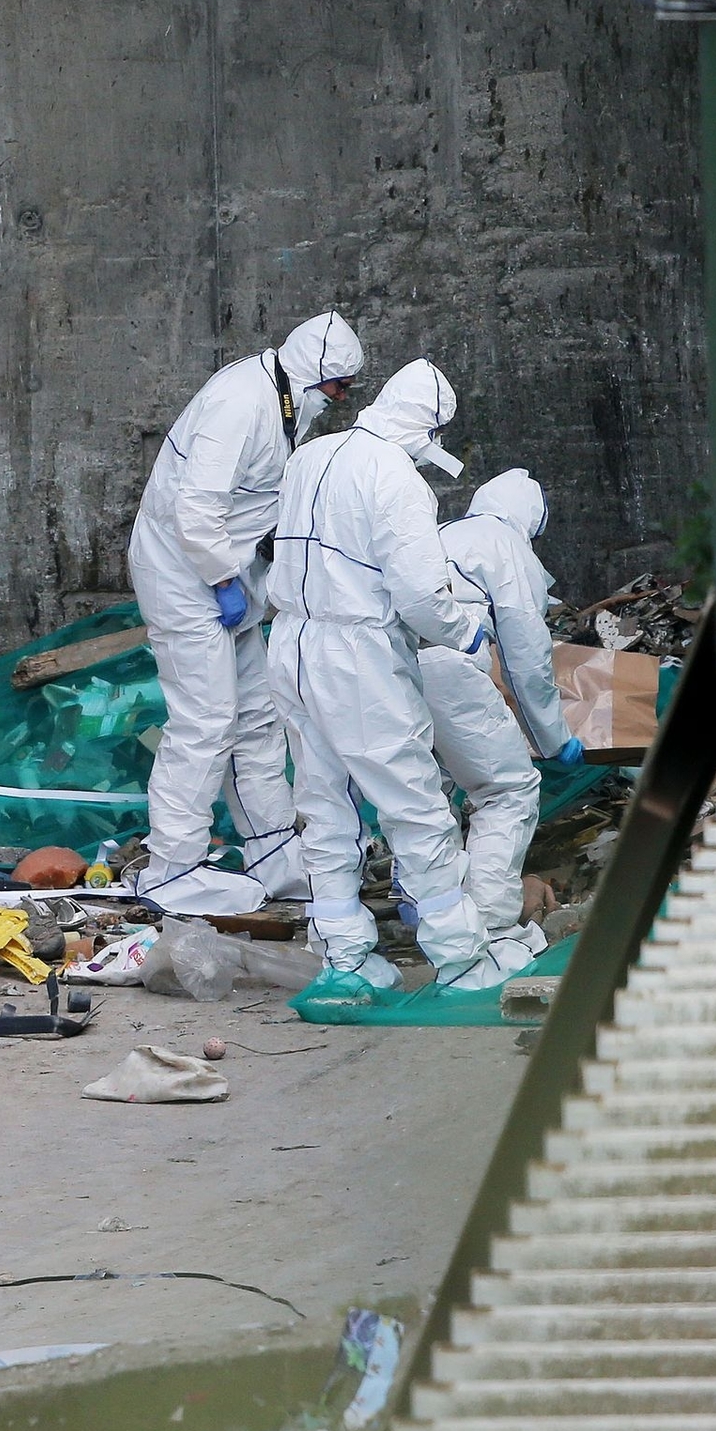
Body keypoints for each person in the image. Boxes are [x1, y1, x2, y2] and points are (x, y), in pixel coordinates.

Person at [263, 361, 529, 992]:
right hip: (357, 650)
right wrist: (465, 633)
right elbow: (417, 595)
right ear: (426, 426)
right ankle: (463, 960)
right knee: (414, 806)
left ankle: (344, 959)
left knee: (324, 804)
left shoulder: (311, 455)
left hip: (293, 641)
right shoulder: (399, 478)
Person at [127, 311, 365, 913]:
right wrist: (221, 580)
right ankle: (171, 870)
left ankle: (273, 854)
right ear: (313, 374)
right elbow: (195, 509)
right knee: (205, 722)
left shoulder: (284, 401)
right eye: (336, 387)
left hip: (228, 574)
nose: (338, 401)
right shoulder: (242, 402)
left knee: (258, 717)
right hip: (185, 573)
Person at [421, 469, 579, 960]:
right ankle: (490, 929)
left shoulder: (444, 533)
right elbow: (526, 656)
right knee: (506, 792)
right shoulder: (507, 545)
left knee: (427, 799)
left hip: (396, 667)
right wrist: (552, 737)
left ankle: (431, 911)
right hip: (454, 665)